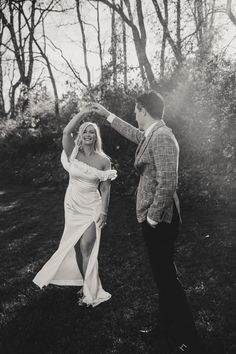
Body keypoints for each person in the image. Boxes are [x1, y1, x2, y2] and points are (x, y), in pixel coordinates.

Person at [90, 92, 201, 353]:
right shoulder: (152, 133)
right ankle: (166, 327)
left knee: (168, 279)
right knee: (163, 277)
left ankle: (188, 337)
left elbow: (168, 181)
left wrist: (151, 216)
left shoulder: (162, 136)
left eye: (135, 110)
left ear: (142, 109)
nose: (134, 115)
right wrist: (108, 115)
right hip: (155, 218)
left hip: (160, 219)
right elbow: (134, 134)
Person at [33, 106, 117, 307]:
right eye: (85, 131)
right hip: (72, 205)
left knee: (86, 246)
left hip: (92, 206)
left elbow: (105, 189)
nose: (88, 134)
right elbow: (65, 131)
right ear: (81, 134)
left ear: (96, 137)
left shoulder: (104, 161)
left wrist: (104, 212)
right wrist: (83, 113)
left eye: (92, 132)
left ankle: (91, 293)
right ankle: (83, 283)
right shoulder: (73, 152)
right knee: (77, 248)